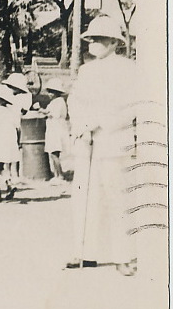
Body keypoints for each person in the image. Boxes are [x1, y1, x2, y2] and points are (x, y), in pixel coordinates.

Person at [66, 15, 137, 276]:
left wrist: (102, 123)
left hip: (113, 140)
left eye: (98, 39)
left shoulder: (128, 69)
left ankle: (123, 255)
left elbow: (132, 106)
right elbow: (75, 102)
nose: (93, 43)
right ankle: (85, 252)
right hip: (87, 142)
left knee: (117, 198)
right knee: (84, 197)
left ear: (113, 42)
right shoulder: (86, 70)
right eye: (91, 39)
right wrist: (82, 126)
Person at [2, 72, 32, 181]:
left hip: (17, 126)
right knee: (7, 149)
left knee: (15, 150)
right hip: (8, 126)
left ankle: (15, 173)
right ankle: (8, 172)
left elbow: (24, 110)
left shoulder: (24, 97)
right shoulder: (9, 96)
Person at [41, 78, 70, 183]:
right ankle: (56, 175)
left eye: (51, 92)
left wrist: (42, 111)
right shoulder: (54, 102)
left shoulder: (59, 102)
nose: (49, 94)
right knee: (52, 152)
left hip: (57, 129)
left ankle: (60, 175)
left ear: (56, 92)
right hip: (53, 128)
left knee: (54, 153)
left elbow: (54, 114)